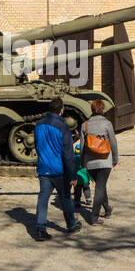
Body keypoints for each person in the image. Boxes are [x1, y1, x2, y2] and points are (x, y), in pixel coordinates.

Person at [33, 97, 81, 241]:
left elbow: (37, 145)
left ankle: (40, 227)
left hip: (44, 167)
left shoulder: (38, 124)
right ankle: (71, 225)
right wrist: (72, 175)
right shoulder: (62, 127)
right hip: (59, 170)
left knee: (43, 198)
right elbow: (68, 154)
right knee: (65, 198)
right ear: (61, 111)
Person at [80, 99, 119, 225]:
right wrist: (115, 159)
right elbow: (113, 143)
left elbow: (81, 146)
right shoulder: (107, 124)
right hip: (104, 160)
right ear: (102, 109)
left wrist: (82, 163)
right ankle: (94, 217)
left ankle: (107, 209)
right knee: (100, 187)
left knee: (100, 186)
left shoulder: (84, 125)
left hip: (90, 162)